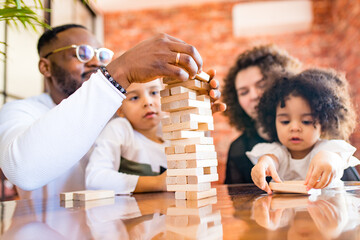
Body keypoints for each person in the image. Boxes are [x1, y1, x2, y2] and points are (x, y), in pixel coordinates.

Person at [0, 24, 224, 199]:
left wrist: (189, 119)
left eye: (102, 55)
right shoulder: (19, 111)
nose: (96, 62)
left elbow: (157, 151)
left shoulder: (117, 115)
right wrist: (120, 70)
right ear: (45, 66)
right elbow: (23, 170)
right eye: (83, 53)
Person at [248, 68, 359, 194]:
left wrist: (329, 159)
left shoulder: (328, 149)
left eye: (306, 121)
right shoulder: (278, 153)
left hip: (325, 210)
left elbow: (336, 157)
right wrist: (263, 165)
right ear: (273, 122)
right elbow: (270, 160)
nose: (294, 128)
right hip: (286, 210)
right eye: (285, 121)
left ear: (323, 124)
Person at [222, 44, 301, 184]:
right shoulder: (238, 150)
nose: (254, 95)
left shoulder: (313, 132)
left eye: (261, 85)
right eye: (244, 92)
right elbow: (237, 203)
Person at [85, 79, 168, 193]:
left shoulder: (175, 132)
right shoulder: (120, 129)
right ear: (119, 109)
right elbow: (94, 179)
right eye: (134, 98)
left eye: (154, 93)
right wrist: (157, 183)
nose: (147, 102)